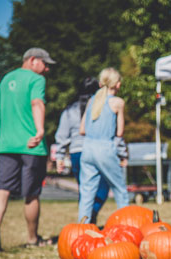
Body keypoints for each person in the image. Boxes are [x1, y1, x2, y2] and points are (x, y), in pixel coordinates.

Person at [0, 47, 56, 254]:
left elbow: (3, 111)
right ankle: (32, 238)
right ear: (33, 60)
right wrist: (40, 130)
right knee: (31, 194)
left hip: (7, 144)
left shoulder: (6, 79)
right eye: (45, 65)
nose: (46, 70)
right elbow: (37, 103)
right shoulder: (36, 80)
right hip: (31, 146)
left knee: (3, 188)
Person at [54, 78, 127, 224]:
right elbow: (112, 132)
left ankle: (85, 220)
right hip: (98, 149)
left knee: (86, 190)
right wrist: (122, 152)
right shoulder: (103, 104)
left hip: (77, 152)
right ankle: (92, 215)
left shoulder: (70, 110)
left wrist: (60, 156)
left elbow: (62, 134)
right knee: (104, 189)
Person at [78, 68, 129, 223]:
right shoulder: (118, 103)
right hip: (105, 148)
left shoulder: (91, 101)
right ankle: (126, 225)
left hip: (87, 148)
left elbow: (82, 130)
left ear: (100, 83)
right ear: (118, 84)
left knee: (87, 193)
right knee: (119, 189)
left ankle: (82, 228)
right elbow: (119, 133)